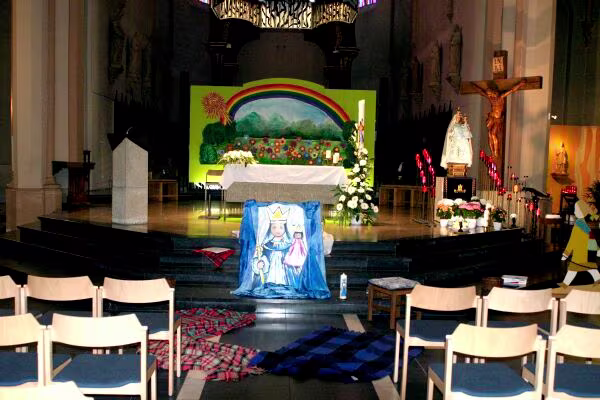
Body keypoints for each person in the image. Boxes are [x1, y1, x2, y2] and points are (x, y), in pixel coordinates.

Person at [471, 79, 527, 158]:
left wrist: (520, 84)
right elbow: (481, 92)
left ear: (495, 93)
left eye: (491, 95)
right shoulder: (490, 98)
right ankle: (492, 152)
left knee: (493, 134)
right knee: (489, 135)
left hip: (497, 119)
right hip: (491, 118)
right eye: (489, 95)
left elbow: (511, 90)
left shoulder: (500, 97)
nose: (490, 97)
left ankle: (496, 152)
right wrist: (474, 87)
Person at [561, 200, 600, 286]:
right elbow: (591, 238)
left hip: (581, 253)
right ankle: (564, 285)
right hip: (587, 252)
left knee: (574, 269)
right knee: (590, 268)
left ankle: (564, 286)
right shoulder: (584, 224)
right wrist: (597, 249)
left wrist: (566, 254)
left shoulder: (578, 224)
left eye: (576, 210)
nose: (574, 212)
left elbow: (572, 240)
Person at [252, 207, 293, 286]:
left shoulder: (288, 245)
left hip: (285, 276)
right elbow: (262, 257)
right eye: (274, 227)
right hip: (269, 276)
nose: (277, 230)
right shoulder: (266, 245)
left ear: (285, 228)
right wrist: (260, 263)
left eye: (281, 227)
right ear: (270, 228)